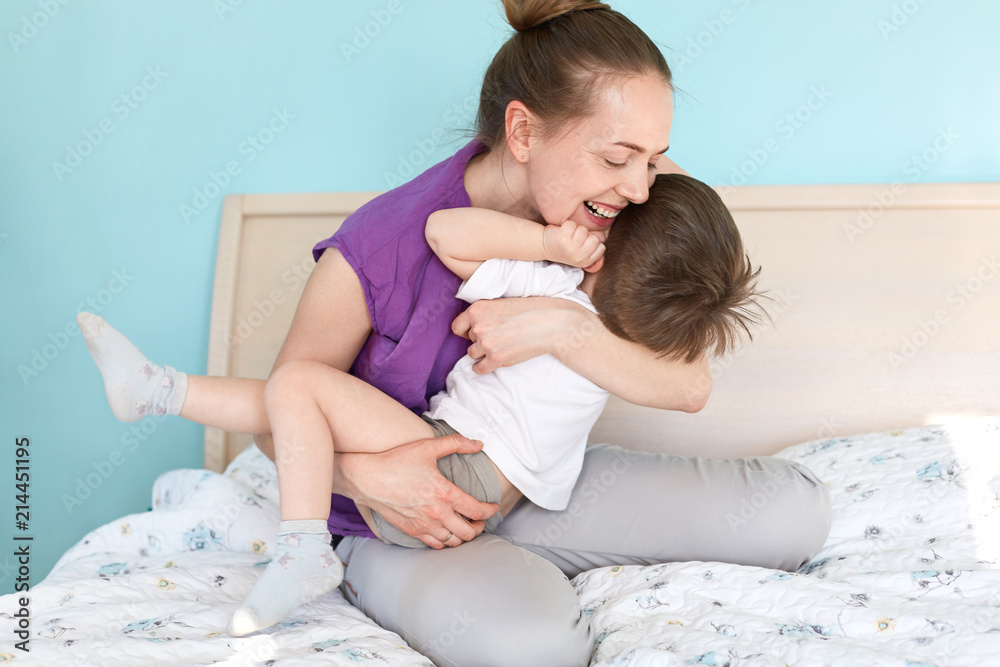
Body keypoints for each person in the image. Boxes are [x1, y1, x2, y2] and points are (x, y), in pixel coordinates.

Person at [77, 1, 832, 664]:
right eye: (618, 157)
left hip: (540, 477)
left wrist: (564, 330)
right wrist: (369, 479)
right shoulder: (379, 247)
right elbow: (283, 417)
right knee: (531, 647)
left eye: (655, 157)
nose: (641, 184)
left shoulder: (625, 203)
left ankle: (517, 555)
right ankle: (412, 561)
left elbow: (690, 381)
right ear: (523, 131)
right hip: (394, 510)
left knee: (793, 516)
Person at [205, 172, 765, 635]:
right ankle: (170, 391)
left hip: (454, 463)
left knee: (296, 385)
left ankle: (301, 545)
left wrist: (551, 249)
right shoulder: (636, 342)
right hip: (466, 484)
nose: (637, 176)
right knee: (293, 395)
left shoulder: (554, 286)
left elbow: (444, 231)